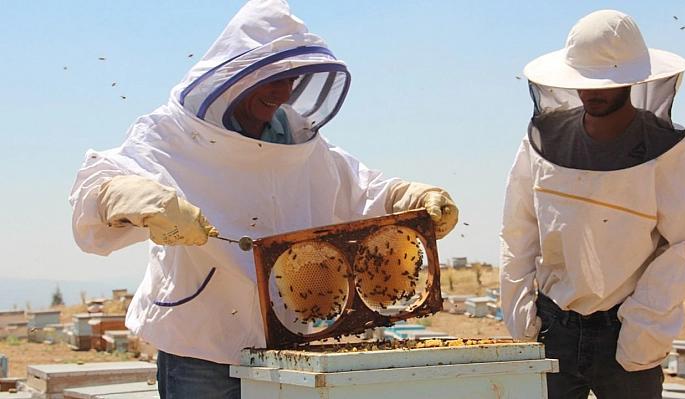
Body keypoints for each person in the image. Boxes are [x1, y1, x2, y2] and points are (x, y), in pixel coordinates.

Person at [68, 1, 458, 398]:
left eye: (293, 78)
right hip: (203, 347)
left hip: (295, 343)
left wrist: (410, 197)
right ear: (238, 74)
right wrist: (132, 197)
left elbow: (361, 190)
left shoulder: (299, 139)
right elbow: (98, 187)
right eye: (274, 77)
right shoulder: (174, 133)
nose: (284, 91)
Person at [499, 9, 685, 399]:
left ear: (631, 79)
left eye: (604, 82)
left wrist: (642, 325)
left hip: (625, 334)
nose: (591, 92)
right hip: (553, 328)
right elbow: (519, 229)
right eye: (583, 81)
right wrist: (520, 314)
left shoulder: (667, 151)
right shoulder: (540, 142)